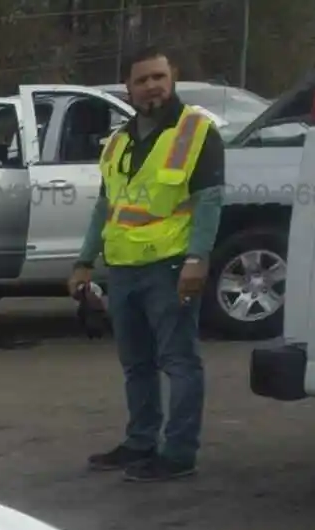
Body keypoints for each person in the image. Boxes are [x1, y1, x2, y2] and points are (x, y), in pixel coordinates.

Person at [70, 46, 226, 482]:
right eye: (142, 80)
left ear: (171, 77)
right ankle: (140, 442)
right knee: (136, 364)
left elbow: (209, 201)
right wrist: (84, 261)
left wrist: (198, 258)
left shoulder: (196, 131)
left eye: (159, 76)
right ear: (129, 87)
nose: (152, 86)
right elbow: (106, 206)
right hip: (123, 267)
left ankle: (178, 453)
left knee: (178, 361)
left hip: (171, 265)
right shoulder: (119, 141)